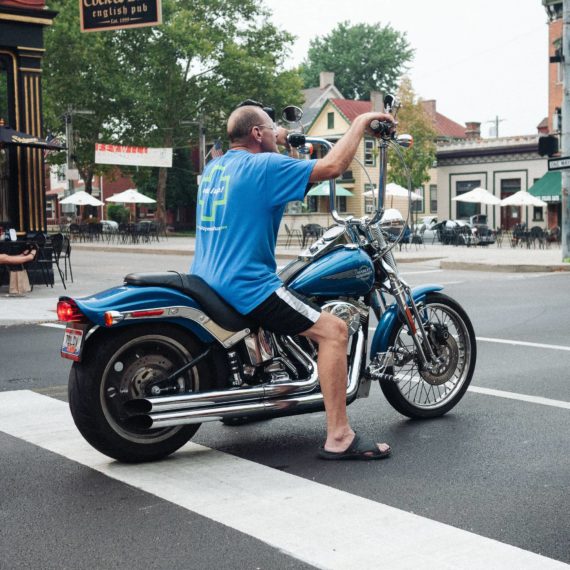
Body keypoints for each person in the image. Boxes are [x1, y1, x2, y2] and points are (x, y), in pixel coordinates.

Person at [192, 102, 394, 460]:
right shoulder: (263, 166)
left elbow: (282, 177)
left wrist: (284, 140)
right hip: (246, 286)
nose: (275, 130)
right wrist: (361, 122)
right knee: (333, 331)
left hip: (208, 280)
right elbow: (332, 166)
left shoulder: (215, 167)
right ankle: (339, 436)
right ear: (257, 134)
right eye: (270, 127)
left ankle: (244, 400)